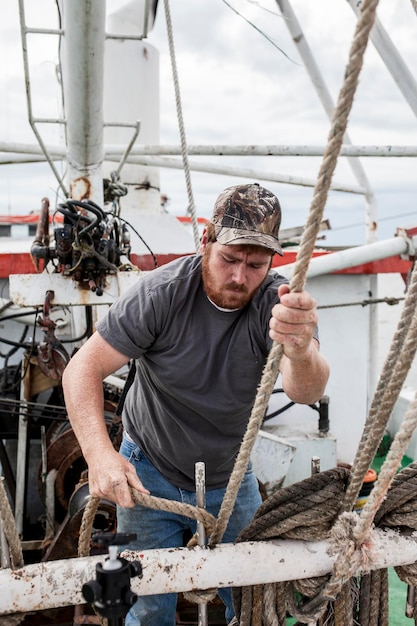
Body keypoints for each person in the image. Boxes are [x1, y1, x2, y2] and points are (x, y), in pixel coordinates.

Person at [62, 182, 329, 626]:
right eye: (229, 259)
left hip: (231, 474)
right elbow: (81, 370)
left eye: (256, 264)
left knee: (251, 601)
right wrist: (99, 455)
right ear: (205, 240)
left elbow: (306, 391)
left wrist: (300, 350)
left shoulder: (277, 304)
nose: (241, 276)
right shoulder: (159, 295)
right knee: (145, 604)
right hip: (147, 471)